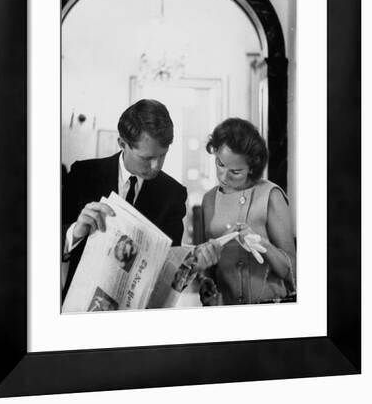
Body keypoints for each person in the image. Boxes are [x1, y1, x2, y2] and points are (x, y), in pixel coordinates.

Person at [61, 99, 187, 301]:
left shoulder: (173, 193)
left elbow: (169, 264)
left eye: (162, 156)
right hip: (79, 307)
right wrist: (74, 233)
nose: (156, 166)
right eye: (146, 158)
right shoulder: (82, 174)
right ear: (122, 144)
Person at [195, 118, 296, 305]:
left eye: (235, 172)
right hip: (227, 312)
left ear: (252, 167)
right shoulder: (209, 200)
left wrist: (261, 243)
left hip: (270, 309)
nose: (223, 177)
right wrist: (205, 281)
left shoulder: (271, 195)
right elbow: (208, 265)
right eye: (220, 164)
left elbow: (291, 271)